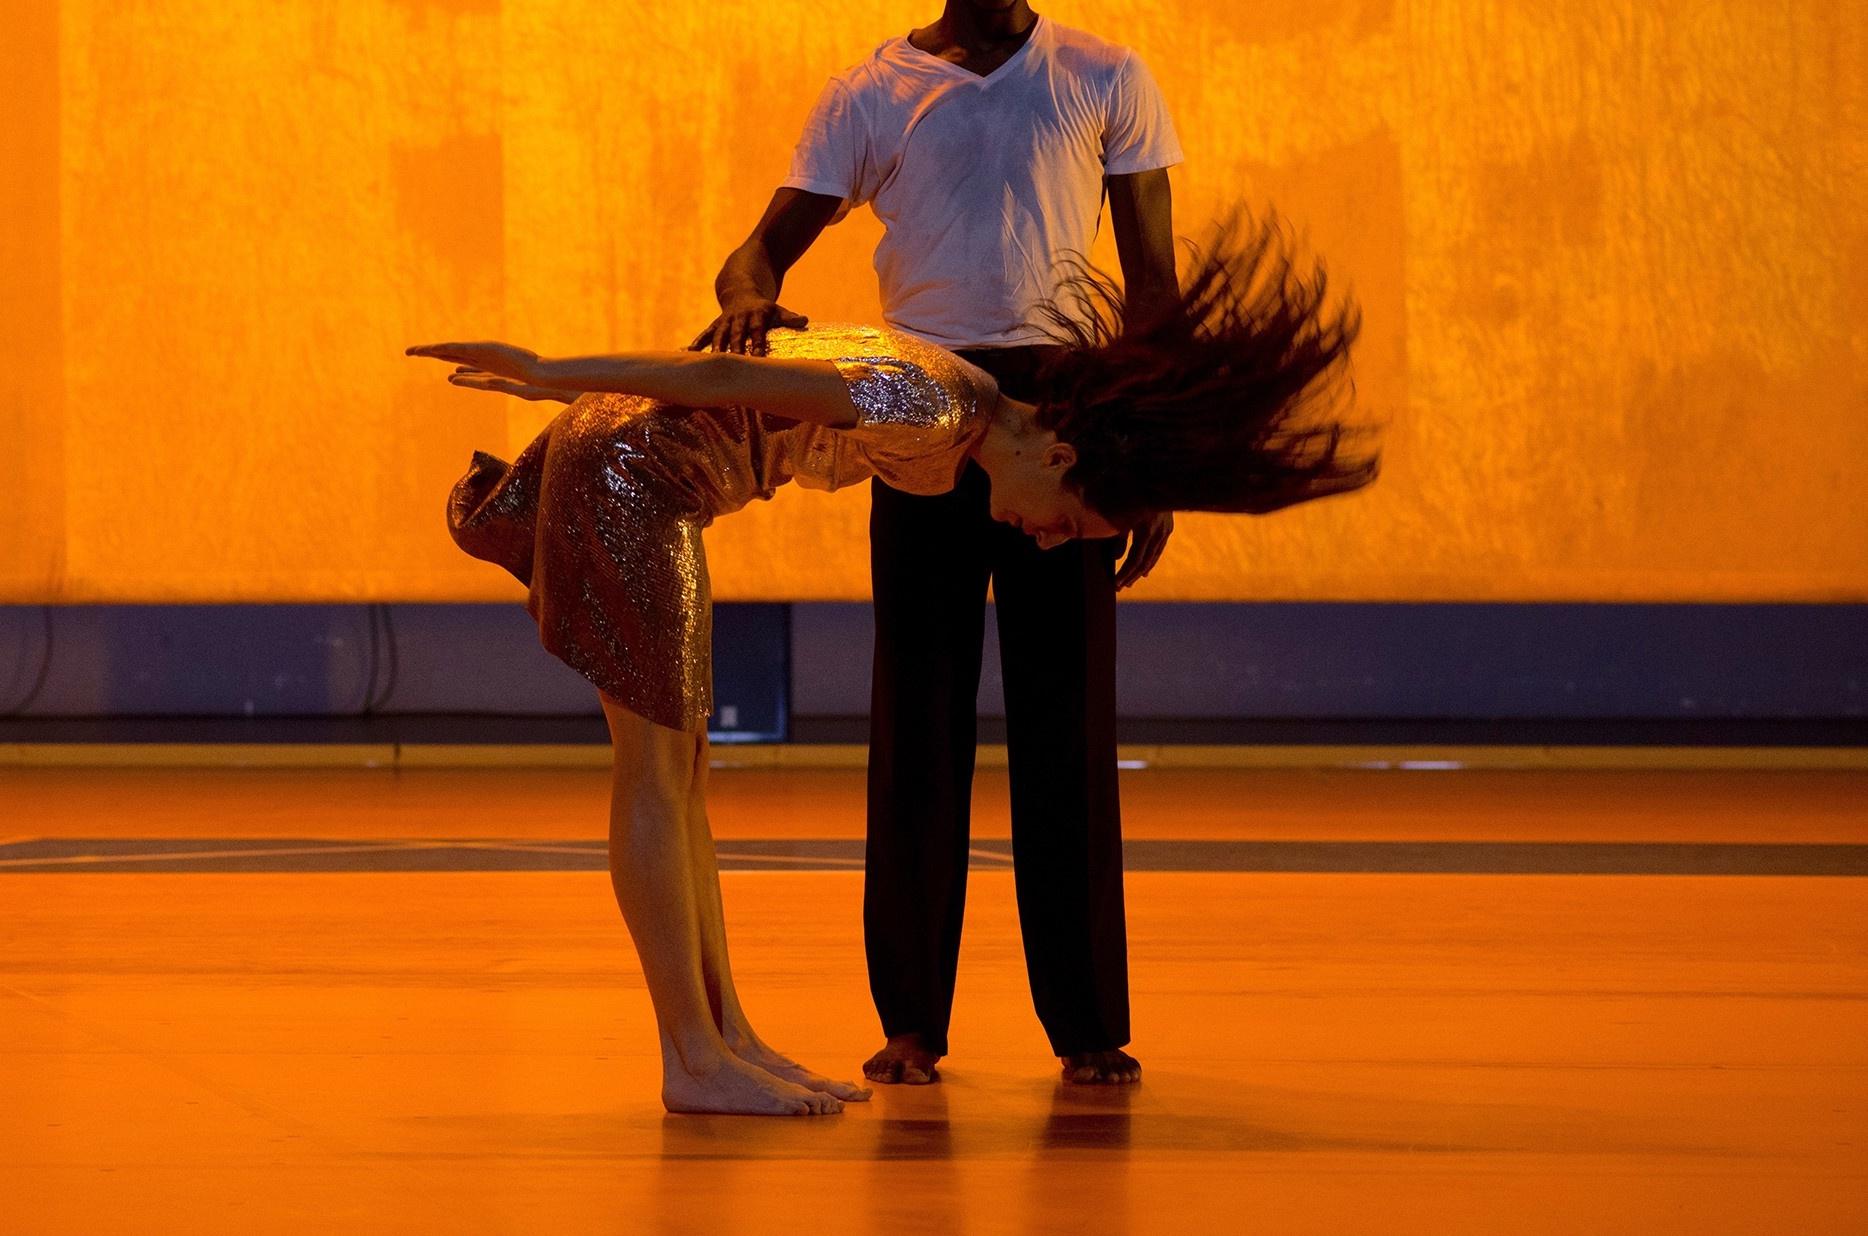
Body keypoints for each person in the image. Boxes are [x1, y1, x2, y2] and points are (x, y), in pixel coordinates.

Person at [413, 217, 1377, 1116]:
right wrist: (546, 371)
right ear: (1060, 458)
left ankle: (725, 1037)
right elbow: (719, 377)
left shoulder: (965, 407)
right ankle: (693, 1059)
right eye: (1068, 525)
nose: (1045, 540)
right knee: (657, 772)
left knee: (683, 770)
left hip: (648, 482)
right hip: (624, 477)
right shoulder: (933, 403)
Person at [699, 0, 1182, 1087]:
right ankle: (909, 1019)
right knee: (916, 713)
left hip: (1058, 420)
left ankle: (1088, 1026)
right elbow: (758, 251)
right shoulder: (874, 92)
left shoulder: (1104, 77)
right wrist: (748, 298)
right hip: (918, 410)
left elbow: (1154, 292)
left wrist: (1148, 455)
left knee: (1067, 719)